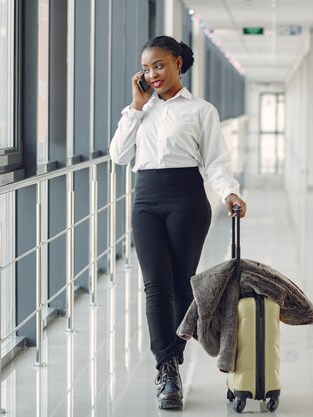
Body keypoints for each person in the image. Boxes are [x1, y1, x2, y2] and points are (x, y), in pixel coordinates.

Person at [109, 35, 247, 409]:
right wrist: (136, 108)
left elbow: (216, 161)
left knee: (182, 284)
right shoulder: (140, 110)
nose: (152, 73)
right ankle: (167, 367)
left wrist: (229, 193)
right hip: (147, 201)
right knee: (156, 285)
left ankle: (174, 357)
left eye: (159, 65)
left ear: (177, 64)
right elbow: (119, 156)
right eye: (146, 67)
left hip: (187, 199)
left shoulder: (201, 110)